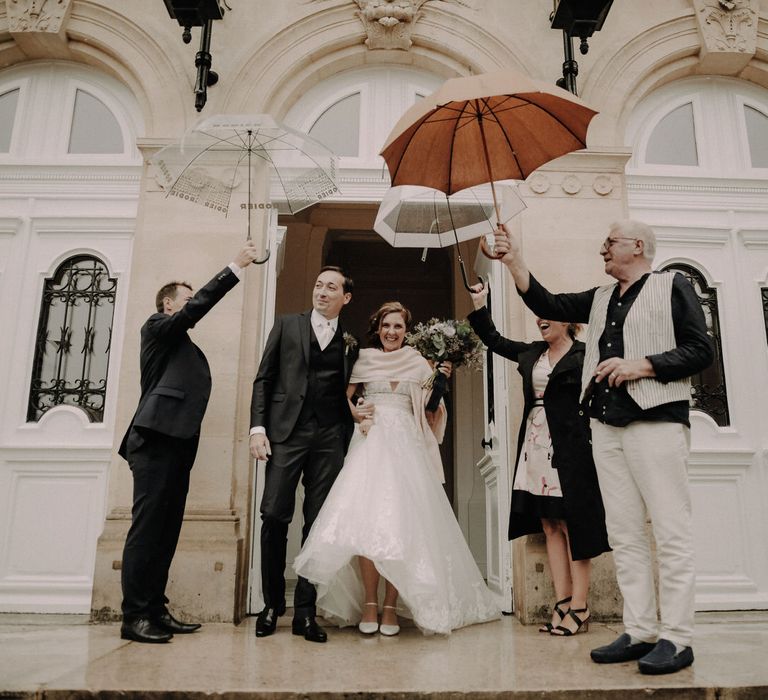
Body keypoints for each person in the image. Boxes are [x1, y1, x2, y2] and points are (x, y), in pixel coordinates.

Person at [492, 219, 713, 674]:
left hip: (656, 421)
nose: (602, 250)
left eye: (610, 243)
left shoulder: (673, 285)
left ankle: (677, 637)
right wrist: (514, 260)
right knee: (625, 533)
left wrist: (643, 365)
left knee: (671, 532)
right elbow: (547, 301)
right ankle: (640, 629)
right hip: (606, 428)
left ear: (638, 246)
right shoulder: (598, 299)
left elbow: (701, 350)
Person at [294, 301, 501, 636]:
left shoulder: (419, 363)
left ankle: (390, 606)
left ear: (407, 332)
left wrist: (441, 383)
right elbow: (342, 400)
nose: (392, 332)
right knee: (365, 529)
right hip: (370, 448)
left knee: (403, 529)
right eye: (386, 326)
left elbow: (432, 412)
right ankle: (369, 604)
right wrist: (357, 413)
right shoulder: (363, 359)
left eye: (398, 327)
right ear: (378, 328)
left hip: (407, 450)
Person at [118, 241, 262, 644]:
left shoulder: (180, 344)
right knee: (146, 531)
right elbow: (198, 306)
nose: (192, 302)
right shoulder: (156, 328)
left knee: (166, 532)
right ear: (168, 306)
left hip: (178, 445)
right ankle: (134, 617)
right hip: (153, 442)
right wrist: (235, 266)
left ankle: (155, 610)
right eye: (186, 298)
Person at [467, 284, 610, 636]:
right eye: (538, 315)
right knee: (549, 523)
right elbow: (495, 340)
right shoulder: (532, 353)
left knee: (573, 523)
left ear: (570, 321)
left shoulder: (585, 353)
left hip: (571, 448)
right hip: (534, 444)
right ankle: (561, 602)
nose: (540, 318)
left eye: (548, 314)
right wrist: (480, 303)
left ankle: (580, 604)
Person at [249, 266, 367, 644]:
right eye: (318, 285)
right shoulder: (287, 325)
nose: (322, 291)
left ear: (345, 298)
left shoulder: (351, 343)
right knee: (274, 514)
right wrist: (258, 429)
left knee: (318, 524)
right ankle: (271, 605)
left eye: (331, 287)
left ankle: (305, 612)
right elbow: (264, 379)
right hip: (287, 432)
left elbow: (355, 390)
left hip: (331, 436)